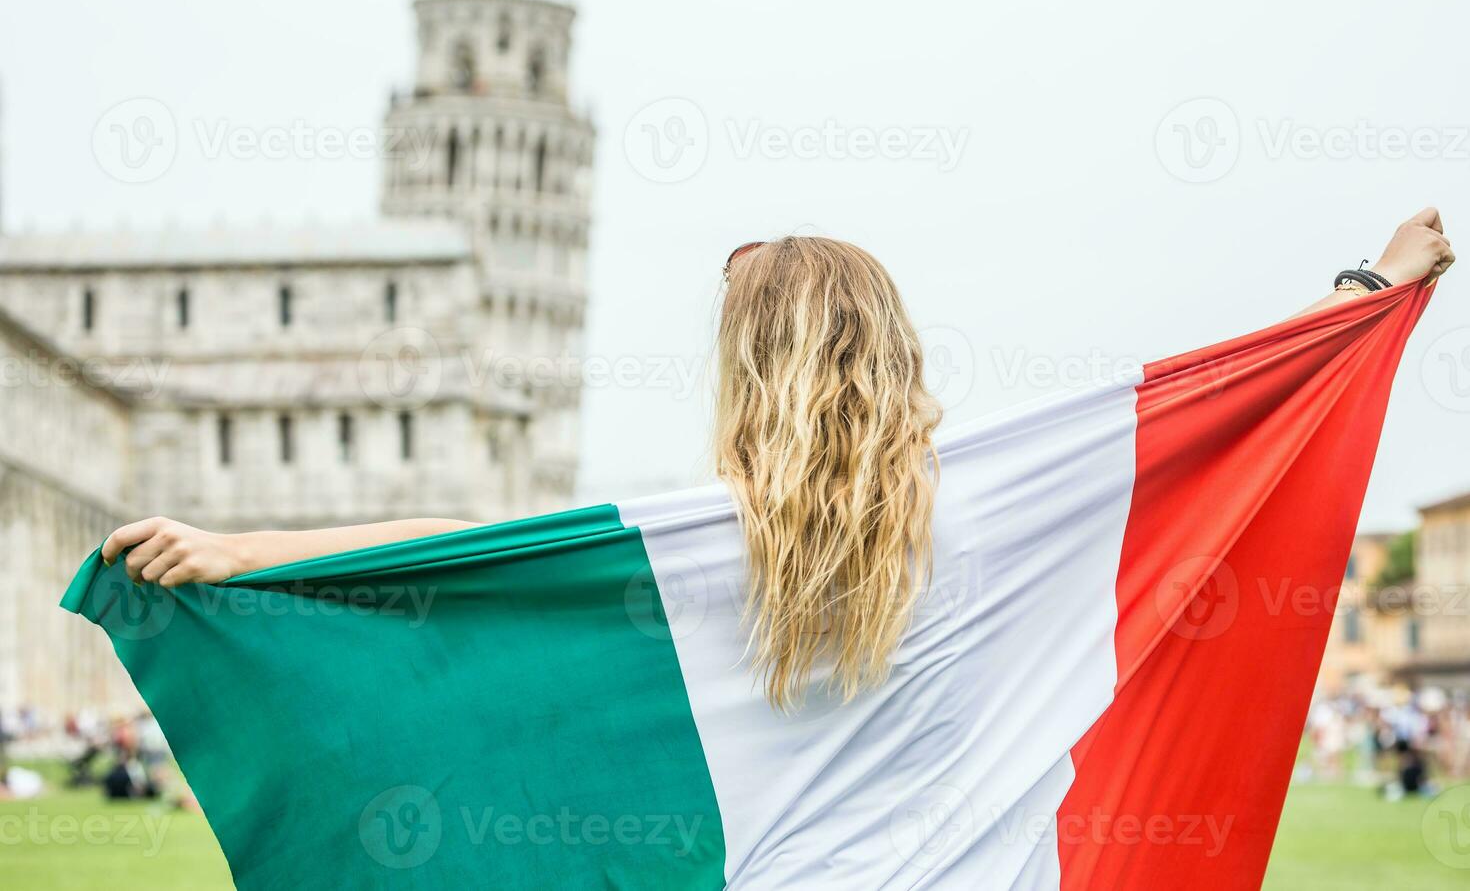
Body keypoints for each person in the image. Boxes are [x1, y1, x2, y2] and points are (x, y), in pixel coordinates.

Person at [103, 209, 1454, 708]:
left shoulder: (694, 537)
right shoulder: (1007, 494)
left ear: (749, 372)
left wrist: (232, 551)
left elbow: (443, 566)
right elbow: (1236, 413)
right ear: (897, 350)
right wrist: (1374, 289)